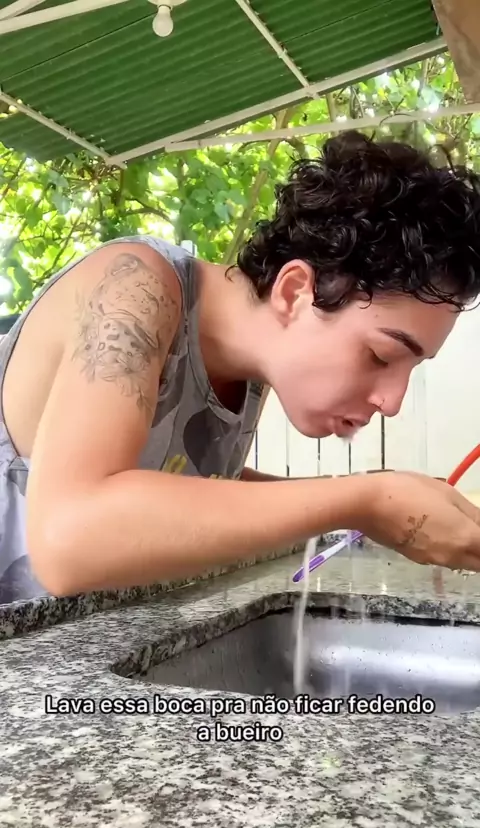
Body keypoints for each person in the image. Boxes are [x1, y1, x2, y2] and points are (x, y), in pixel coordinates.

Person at [1, 130, 480, 604]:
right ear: (295, 292)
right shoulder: (135, 289)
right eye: (381, 355)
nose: (392, 402)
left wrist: (380, 504)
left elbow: (188, 488)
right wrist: (365, 500)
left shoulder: (256, 363)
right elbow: (69, 536)